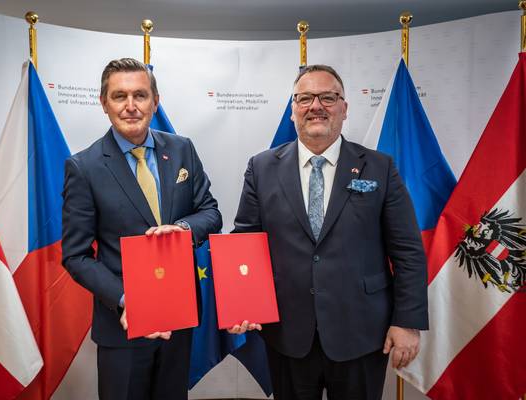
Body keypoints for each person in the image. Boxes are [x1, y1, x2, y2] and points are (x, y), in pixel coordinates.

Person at [230, 65, 428, 400]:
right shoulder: (261, 167)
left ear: (344, 108)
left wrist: (407, 321)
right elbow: (246, 242)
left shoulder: (379, 167)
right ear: (293, 109)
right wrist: (242, 305)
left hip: (362, 332)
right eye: (305, 98)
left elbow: (407, 251)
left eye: (328, 97)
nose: (316, 106)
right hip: (288, 333)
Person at [61, 57, 222, 400]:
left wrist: (182, 229)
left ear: (155, 101)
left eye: (140, 95)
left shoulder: (182, 149)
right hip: (123, 325)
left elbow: (210, 212)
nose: (131, 105)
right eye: (120, 96)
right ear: (104, 103)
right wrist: (127, 300)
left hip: (179, 316)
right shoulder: (84, 167)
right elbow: (75, 255)